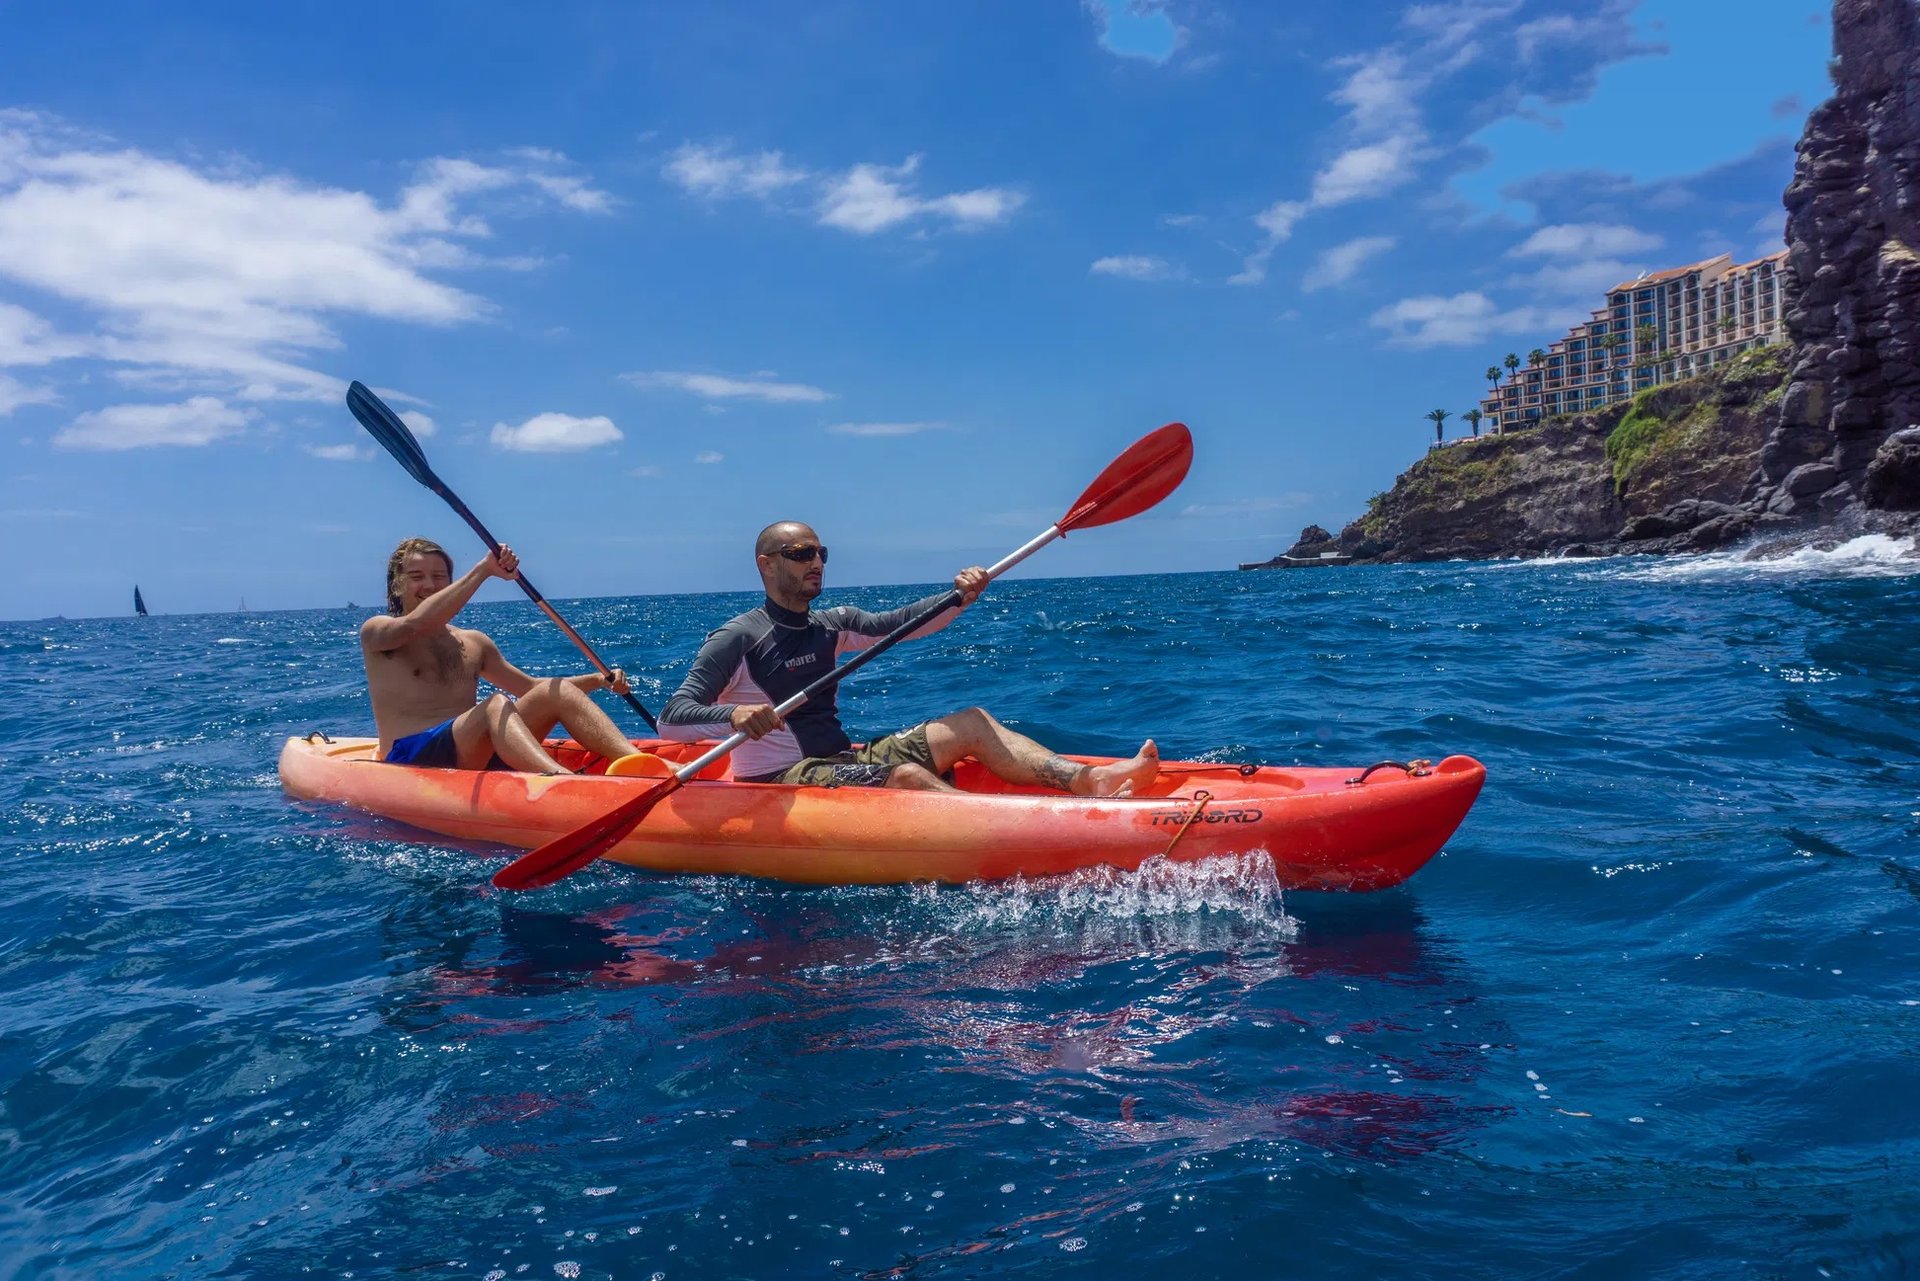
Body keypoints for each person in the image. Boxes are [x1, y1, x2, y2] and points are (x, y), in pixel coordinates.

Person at [658, 521, 1158, 794]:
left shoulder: (831, 624)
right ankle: (1010, 835)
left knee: (972, 722)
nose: (815, 562)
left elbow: (901, 625)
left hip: (839, 760)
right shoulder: (738, 638)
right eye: (800, 554)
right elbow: (672, 720)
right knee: (907, 779)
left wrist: (961, 595)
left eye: (820, 553)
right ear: (766, 565)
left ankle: (1089, 781)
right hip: (778, 778)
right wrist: (735, 716)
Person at [361, 536, 638, 773]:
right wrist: (485, 570)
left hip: (471, 752)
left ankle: (641, 763)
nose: (430, 585)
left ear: (450, 582)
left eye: (439, 576)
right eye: (416, 577)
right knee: (495, 704)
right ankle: (560, 779)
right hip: (410, 756)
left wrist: (598, 680)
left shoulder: (473, 642)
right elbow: (417, 624)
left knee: (557, 690)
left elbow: (528, 689)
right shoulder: (378, 631)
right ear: (397, 584)